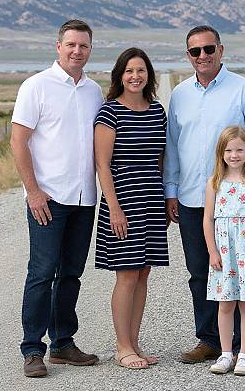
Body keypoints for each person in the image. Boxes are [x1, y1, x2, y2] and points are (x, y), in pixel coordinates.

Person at [163, 25, 245, 364]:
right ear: (188, 55)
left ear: (221, 50)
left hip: (235, 202)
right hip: (190, 199)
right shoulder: (180, 94)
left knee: (240, 271)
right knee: (202, 271)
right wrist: (170, 191)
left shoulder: (243, 89)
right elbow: (172, 147)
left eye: (209, 49)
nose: (203, 56)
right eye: (195, 51)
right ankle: (210, 341)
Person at [11, 19, 103, 378]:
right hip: (47, 199)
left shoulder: (94, 91)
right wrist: (33, 192)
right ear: (58, 46)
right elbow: (19, 142)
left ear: (89, 49)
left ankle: (63, 343)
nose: (77, 51)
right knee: (40, 273)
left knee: (71, 274)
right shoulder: (36, 87)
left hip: (84, 199)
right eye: (71, 45)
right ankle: (32, 349)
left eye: (83, 45)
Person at [94, 47, 169, 370]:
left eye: (141, 70)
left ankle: (134, 342)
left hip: (151, 198)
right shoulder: (109, 113)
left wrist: (166, 199)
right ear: (119, 76)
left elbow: (161, 158)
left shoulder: (157, 111)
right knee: (126, 275)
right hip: (122, 200)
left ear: (148, 75)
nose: (135, 76)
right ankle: (122, 346)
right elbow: (102, 164)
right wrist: (114, 208)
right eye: (129, 71)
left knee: (143, 272)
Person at [203, 126, 245, 376]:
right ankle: (225, 354)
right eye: (229, 150)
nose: (234, 155)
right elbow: (207, 219)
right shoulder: (214, 183)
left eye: (240, 149)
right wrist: (212, 251)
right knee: (225, 304)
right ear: (221, 153)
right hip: (223, 253)